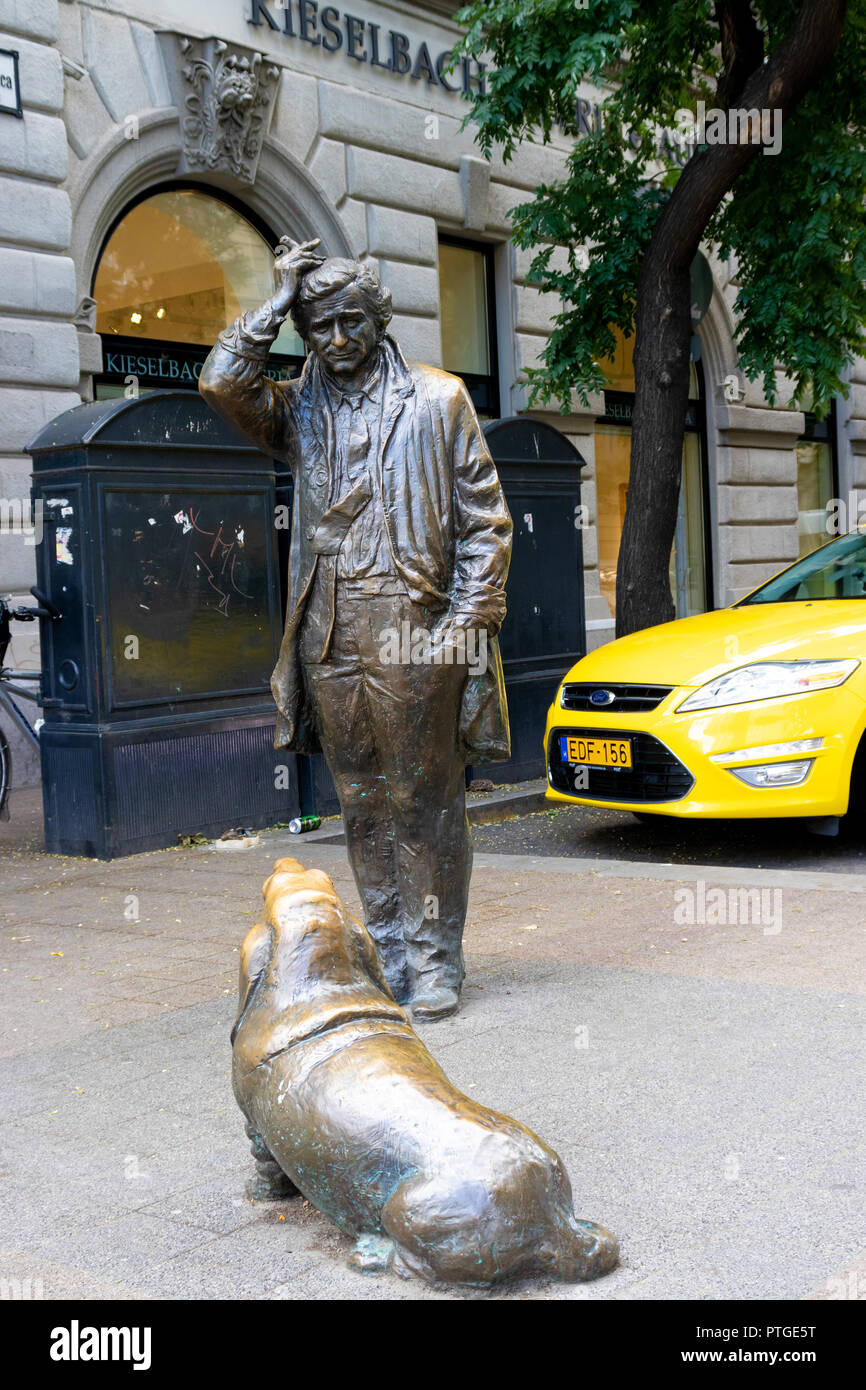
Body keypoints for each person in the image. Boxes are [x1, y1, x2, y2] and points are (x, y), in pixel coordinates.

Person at [200, 237, 512, 1020]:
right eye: (318, 328)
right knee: (364, 800)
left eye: (349, 322)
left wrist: (462, 628)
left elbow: (486, 526)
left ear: (380, 318)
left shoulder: (438, 400)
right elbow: (221, 381)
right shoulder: (296, 407)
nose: (336, 340)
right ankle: (386, 951)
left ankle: (436, 957)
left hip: (414, 628)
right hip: (329, 632)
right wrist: (277, 299)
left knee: (425, 798)